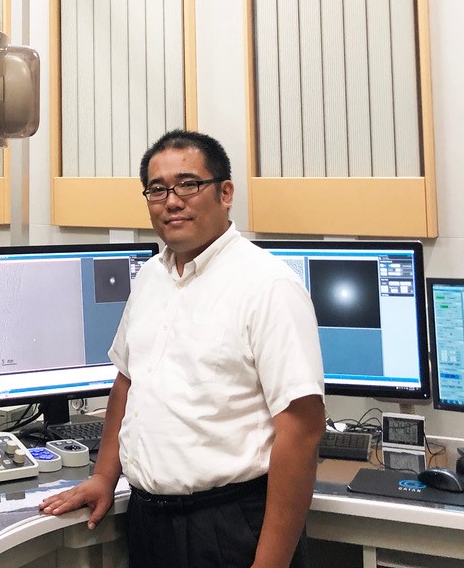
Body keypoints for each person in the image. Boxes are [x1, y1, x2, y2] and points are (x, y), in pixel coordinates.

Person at [39, 129, 325, 568]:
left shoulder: (268, 286)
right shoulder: (152, 276)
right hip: (149, 521)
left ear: (225, 192)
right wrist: (103, 474)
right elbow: (127, 384)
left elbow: (302, 431)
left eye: (189, 184)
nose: (172, 200)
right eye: (157, 189)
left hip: (230, 526)